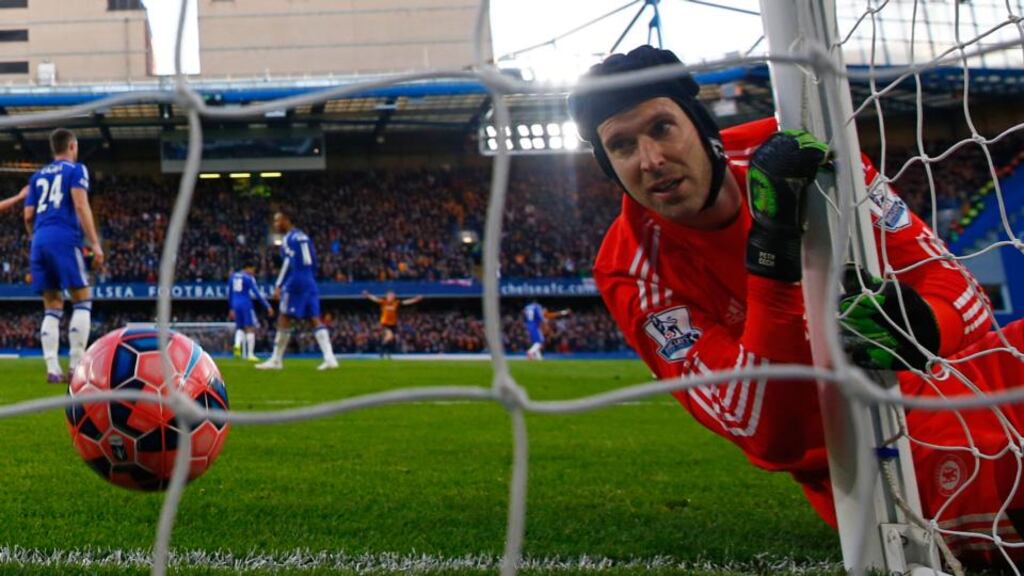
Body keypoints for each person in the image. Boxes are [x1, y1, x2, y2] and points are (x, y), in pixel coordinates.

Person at [568, 45, 1023, 566]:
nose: (649, 160)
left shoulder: (807, 150)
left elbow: (957, 286)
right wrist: (772, 252)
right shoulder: (630, 267)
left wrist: (923, 325)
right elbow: (767, 435)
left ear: (700, 127)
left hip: (950, 377)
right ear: (610, 167)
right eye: (622, 146)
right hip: (868, 442)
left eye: (662, 128)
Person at [23, 128, 104, 384]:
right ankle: (76, 366)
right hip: (63, 238)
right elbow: (80, 204)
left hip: (39, 239)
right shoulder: (76, 170)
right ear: (72, 146)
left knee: (52, 305)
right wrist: (95, 243)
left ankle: (52, 369)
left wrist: (35, 236)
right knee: (82, 298)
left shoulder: (36, 177)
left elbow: (27, 216)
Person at [256, 208, 338, 371]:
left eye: (278, 220)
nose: (276, 224)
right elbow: (314, 261)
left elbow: (288, 263)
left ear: (287, 219)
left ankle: (276, 360)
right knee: (314, 318)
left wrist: (279, 285)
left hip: (296, 281)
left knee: (284, 317)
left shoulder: (289, 239)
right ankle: (330, 359)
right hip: (309, 280)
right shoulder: (304, 237)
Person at [228, 261, 274, 361]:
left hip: (235, 304)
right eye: (253, 269)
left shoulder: (233, 276)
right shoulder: (248, 278)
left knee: (240, 327)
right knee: (250, 328)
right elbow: (257, 293)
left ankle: (237, 346)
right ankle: (250, 354)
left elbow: (230, 293)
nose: (253, 272)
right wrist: (267, 306)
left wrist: (231, 308)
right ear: (248, 268)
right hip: (245, 304)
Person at [362, 290, 422, 358]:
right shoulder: (383, 302)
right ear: (387, 296)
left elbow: (406, 302)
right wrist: (368, 295)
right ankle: (381, 350)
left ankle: (386, 351)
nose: (391, 297)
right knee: (389, 336)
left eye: (392, 295)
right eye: (389, 295)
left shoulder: (396, 303)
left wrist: (415, 299)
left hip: (393, 324)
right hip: (385, 323)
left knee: (391, 339)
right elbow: (375, 299)